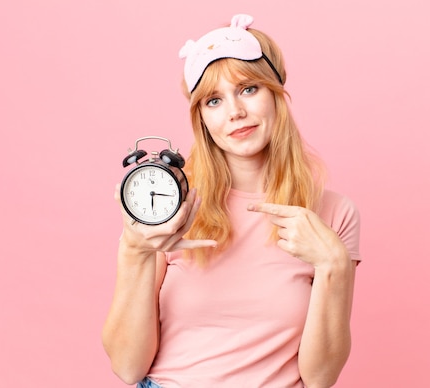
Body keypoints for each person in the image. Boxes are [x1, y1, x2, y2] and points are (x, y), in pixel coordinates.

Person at [102, 14, 361, 388]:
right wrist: (135, 250)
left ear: (276, 93)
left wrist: (334, 263)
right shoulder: (172, 206)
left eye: (249, 89)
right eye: (213, 100)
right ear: (201, 119)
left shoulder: (333, 214)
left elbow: (321, 378)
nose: (235, 112)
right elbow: (127, 366)